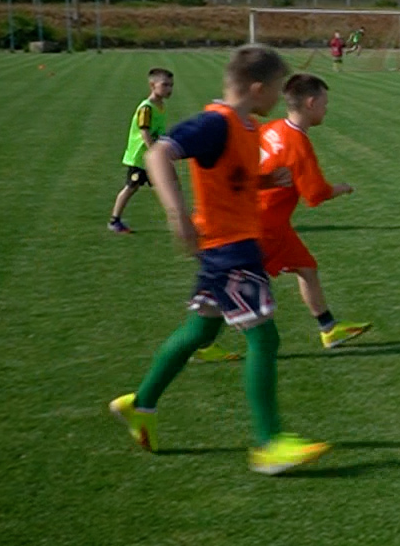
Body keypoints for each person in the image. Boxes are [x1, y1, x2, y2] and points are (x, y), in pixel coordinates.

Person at [106, 45, 329, 476]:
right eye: (276, 88)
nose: (279, 97)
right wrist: (177, 215)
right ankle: (269, 444)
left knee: (201, 330)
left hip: (234, 245)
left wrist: (264, 179)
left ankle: (141, 404)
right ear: (258, 88)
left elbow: (232, 178)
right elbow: (158, 153)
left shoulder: (247, 126)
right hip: (229, 248)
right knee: (264, 338)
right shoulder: (217, 122)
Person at [258, 73, 371, 349]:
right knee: (234, 284)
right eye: (324, 103)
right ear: (310, 103)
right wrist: (342, 188)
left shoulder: (272, 128)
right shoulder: (298, 144)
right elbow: (315, 194)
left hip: (262, 218)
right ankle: (200, 339)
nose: (326, 109)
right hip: (265, 224)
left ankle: (328, 328)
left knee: (306, 268)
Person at [110, 67, 174, 233]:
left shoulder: (161, 106)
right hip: (140, 158)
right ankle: (114, 220)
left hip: (150, 156)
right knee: (131, 187)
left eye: (171, 85)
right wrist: (154, 152)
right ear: (152, 85)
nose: (169, 89)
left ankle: (177, 219)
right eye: (165, 85)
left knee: (165, 186)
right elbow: (144, 132)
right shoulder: (146, 108)